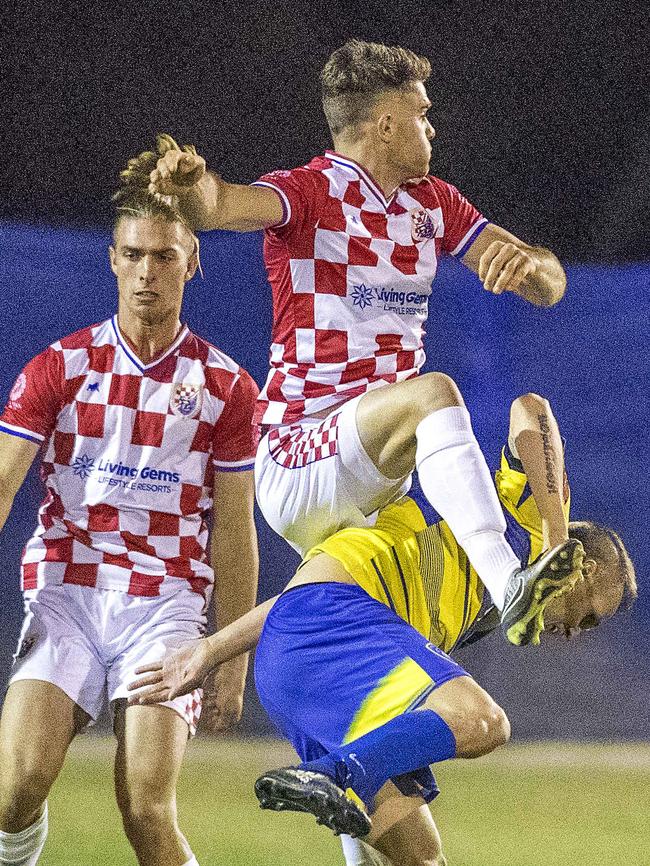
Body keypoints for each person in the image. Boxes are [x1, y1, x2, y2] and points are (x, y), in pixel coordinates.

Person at [131, 38, 573, 646]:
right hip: (296, 454)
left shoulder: (433, 203)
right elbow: (220, 204)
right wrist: (191, 187)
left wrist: (527, 265)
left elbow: (552, 286)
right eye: (422, 115)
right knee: (434, 394)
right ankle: (509, 590)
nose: (433, 128)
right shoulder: (312, 192)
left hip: (373, 475)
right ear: (388, 125)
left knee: (386, 636)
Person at [127, 392, 637, 866]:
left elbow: (299, 601)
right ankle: (335, 778)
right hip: (327, 626)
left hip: (302, 659)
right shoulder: (523, 525)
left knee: (417, 856)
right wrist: (553, 534)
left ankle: (338, 777)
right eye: (591, 613)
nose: (578, 631)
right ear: (584, 568)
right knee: (483, 722)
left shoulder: (470, 600)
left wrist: (212, 649)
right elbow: (531, 409)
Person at [0, 187, 260, 866]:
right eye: (135, 254)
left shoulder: (226, 387)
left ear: (191, 262)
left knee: (146, 807)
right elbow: (3, 480)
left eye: (164, 255)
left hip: (164, 608)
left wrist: (231, 660)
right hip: (68, 594)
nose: (148, 270)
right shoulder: (58, 368)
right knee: (16, 786)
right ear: (114, 260)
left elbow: (235, 531)